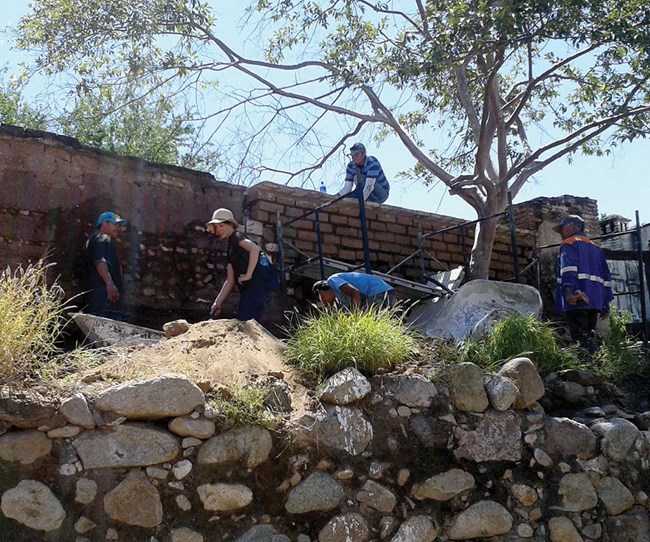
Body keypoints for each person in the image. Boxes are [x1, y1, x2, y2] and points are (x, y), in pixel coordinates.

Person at [554, 214, 614, 352]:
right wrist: (605, 303)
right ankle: (595, 364)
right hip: (595, 301)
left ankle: (591, 366)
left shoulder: (569, 244)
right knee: (588, 334)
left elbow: (568, 270)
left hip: (577, 298)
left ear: (571, 227)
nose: (561, 233)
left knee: (581, 337)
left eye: (562, 229)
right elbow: (606, 277)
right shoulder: (596, 249)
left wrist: (569, 293)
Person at [207, 208, 278, 321]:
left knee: (246, 322)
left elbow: (255, 249)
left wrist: (248, 274)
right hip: (250, 288)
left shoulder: (237, 237)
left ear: (230, 224)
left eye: (221, 225)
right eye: (216, 227)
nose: (218, 230)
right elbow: (230, 280)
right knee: (246, 321)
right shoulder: (230, 249)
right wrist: (217, 302)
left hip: (256, 284)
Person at [84, 211, 127, 320]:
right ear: (104, 223)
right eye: (115, 224)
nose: (117, 228)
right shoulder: (102, 238)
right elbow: (100, 261)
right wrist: (109, 282)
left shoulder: (94, 239)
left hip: (96, 302)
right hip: (105, 303)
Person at [312, 272, 395, 309]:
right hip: (388, 292)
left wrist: (355, 316)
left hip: (378, 292)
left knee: (365, 320)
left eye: (321, 300)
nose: (325, 304)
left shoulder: (332, 280)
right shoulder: (340, 296)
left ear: (321, 293)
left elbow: (355, 292)